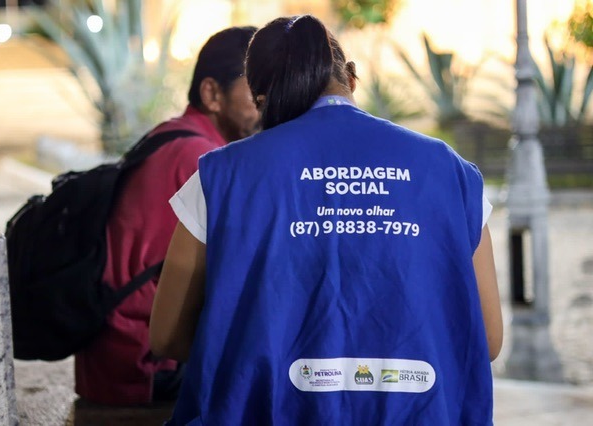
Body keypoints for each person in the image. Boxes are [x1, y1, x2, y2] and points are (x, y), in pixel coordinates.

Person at [150, 14, 503, 425]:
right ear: (350, 78)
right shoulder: (451, 173)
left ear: (260, 99)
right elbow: (487, 339)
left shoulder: (220, 176)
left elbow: (166, 336)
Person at [74, 25, 260, 406]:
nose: (266, 102)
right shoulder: (202, 160)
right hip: (142, 366)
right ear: (212, 93)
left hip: (108, 359)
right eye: (256, 88)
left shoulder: (173, 135)